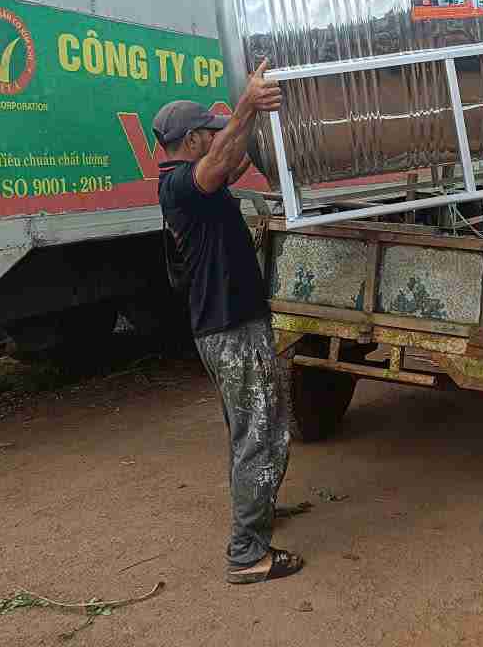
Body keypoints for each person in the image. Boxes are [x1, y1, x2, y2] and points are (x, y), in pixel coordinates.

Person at [152, 62, 303, 586]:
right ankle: (247, 553)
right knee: (259, 434)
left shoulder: (200, 186)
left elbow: (231, 162)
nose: (218, 140)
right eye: (210, 134)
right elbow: (220, 163)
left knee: (254, 428)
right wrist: (246, 104)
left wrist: (256, 124)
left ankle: (259, 508)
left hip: (227, 325)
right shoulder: (181, 185)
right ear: (193, 139)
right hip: (230, 327)